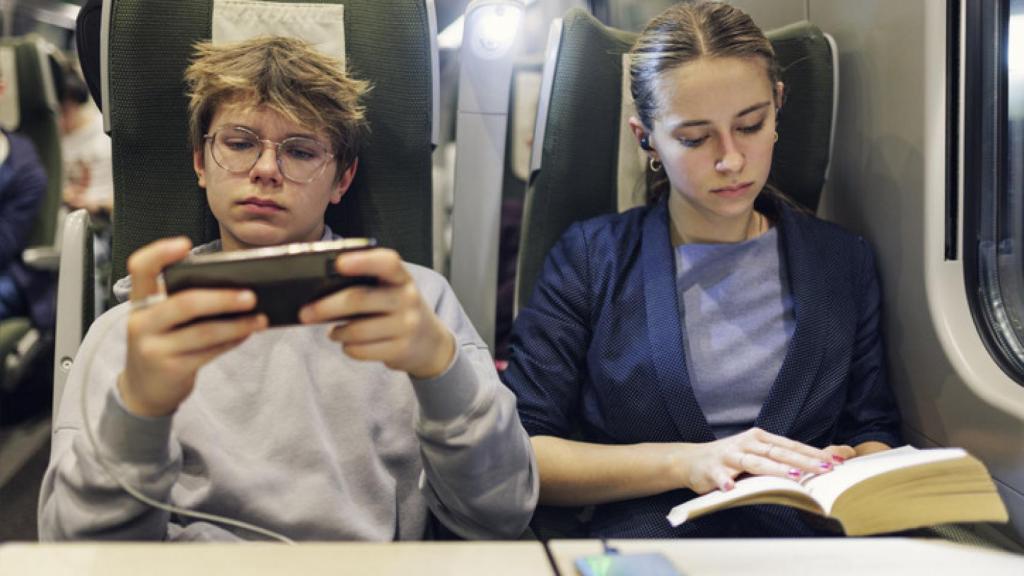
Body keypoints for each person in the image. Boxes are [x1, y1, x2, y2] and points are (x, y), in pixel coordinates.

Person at [39, 36, 537, 541]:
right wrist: (138, 414)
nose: (266, 170)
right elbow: (75, 549)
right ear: (199, 162)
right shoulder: (136, 331)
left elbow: (502, 512)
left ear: (342, 180)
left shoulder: (414, 306)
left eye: (300, 151)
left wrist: (441, 372)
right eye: (238, 143)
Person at [501, 1, 901, 538]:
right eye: (694, 137)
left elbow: (871, 424)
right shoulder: (592, 258)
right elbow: (526, 453)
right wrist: (686, 463)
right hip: (654, 542)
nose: (731, 159)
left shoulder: (840, 261)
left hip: (810, 544)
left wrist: (859, 469)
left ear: (778, 107)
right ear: (647, 138)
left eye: (751, 125)